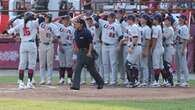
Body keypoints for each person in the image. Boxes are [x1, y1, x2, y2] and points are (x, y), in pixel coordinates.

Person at [6, 12, 39, 89]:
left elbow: (9, 31)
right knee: (32, 64)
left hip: (23, 44)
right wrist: (36, 15)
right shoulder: (33, 23)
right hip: (31, 44)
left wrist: (14, 36)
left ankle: (20, 82)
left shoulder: (21, 24)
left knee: (22, 63)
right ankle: (29, 82)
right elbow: (41, 19)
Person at [70, 18, 104, 90]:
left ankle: (100, 82)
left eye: (76, 23)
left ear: (81, 24)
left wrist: (89, 52)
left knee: (92, 69)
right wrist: (76, 48)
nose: (75, 24)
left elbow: (90, 43)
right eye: (75, 23)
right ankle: (75, 85)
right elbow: (76, 40)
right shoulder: (76, 32)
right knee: (77, 68)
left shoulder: (86, 31)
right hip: (80, 52)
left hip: (87, 51)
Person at [94, 12, 123, 85]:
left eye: (110, 17)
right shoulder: (104, 23)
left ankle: (114, 80)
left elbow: (120, 37)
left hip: (113, 45)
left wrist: (119, 45)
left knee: (113, 63)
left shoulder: (117, 25)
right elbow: (95, 18)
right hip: (104, 45)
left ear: (113, 18)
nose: (109, 18)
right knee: (105, 63)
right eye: (108, 17)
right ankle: (106, 79)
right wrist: (103, 13)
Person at [121, 15, 142, 88]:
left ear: (132, 20)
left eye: (129, 19)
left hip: (135, 47)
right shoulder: (129, 27)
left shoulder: (134, 27)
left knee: (128, 64)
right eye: (127, 19)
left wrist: (131, 47)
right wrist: (122, 41)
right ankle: (135, 81)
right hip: (133, 47)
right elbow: (127, 37)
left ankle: (133, 81)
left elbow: (135, 38)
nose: (128, 21)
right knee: (132, 65)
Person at [38, 13, 60, 85]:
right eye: (45, 17)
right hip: (42, 44)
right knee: (42, 63)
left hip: (50, 44)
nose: (46, 18)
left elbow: (58, 35)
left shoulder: (53, 26)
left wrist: (53, 38)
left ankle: (49, 79)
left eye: (47, 17)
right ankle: (42, 79)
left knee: (50, 63)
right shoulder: (41, 24)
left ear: (50, 18)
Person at [54, 15, 75, 85]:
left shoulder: (72, 27)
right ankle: (61, 78)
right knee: (62, 63)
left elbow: (74, 38)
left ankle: (69, 78)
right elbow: (52, 21)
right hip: (61, 45)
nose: (64, 21)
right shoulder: (59, 25)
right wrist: (59, 17)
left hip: (69, 46)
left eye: (66, 19)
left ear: (69, 20)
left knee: (69, 63)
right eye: (63, 19)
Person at [175, 15, 190, 87]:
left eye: (181, 18)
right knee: (177, 65)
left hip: (182, 46)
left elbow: (185, 39)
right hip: (177, 45)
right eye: (179, 18)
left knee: (183, 64)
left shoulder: (185, 28)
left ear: (184, 20)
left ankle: (186, 81)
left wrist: (183, 49)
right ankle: (178, 80)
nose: (179, 19)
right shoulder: (178, 27)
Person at [151, 14, 164, 87]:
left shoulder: (156, 28)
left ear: (157, 20)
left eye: (154, 19)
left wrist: (152, 49)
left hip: (157, 48)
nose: (153, 20)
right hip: (160, 48)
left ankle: (156, 81)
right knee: (160, 66)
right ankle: (165, 80)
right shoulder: (159, 27)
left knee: (156, 66)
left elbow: (154, 40)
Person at [139, 14, 152, 87]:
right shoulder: (140, 27)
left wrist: (146, 50)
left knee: (144, 65)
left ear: (146, 20)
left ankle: (146, 81)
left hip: (144, 47)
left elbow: (148, 40)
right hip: (139, 47)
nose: (140, 19)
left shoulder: (147, 28)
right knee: (140, 65)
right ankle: (141, 80)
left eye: (142, 18)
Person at [162, 15, 175, 87]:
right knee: (165, 65)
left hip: (169, 47)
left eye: (166, 20)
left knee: (168, 65)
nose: (165, 21)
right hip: (166, 47)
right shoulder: (166, 28)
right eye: (165, 20)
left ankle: (171, 81)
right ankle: (168, 80)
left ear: (169, 21)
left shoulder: (170, 29)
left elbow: (164, 37)